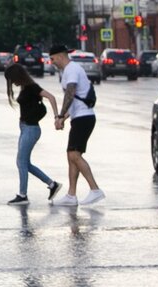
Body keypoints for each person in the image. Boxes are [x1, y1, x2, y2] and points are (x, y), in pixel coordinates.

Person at [48, 45, 105, 206]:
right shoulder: (69, 70)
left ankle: (95, 190)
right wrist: (63, 118)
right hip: (79, 117)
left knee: (74, 155)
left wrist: (60, 115)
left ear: (59, 56)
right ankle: (71, 195)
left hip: (84, 118)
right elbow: (75, 99)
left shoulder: (71, 70)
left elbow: (71, 93)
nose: (52, 62)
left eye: (52, 59)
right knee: (71, 155)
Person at [4, 64, 62, 205]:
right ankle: (52, 184)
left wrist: (57, 117)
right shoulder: (26, 87)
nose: (13, 83)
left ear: (18, 76)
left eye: (13, 79)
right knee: (25, 163)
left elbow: (52, 97)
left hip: (31, 129)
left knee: (21, 162)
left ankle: (23, 195)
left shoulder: (31, 87)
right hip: (26, 128)